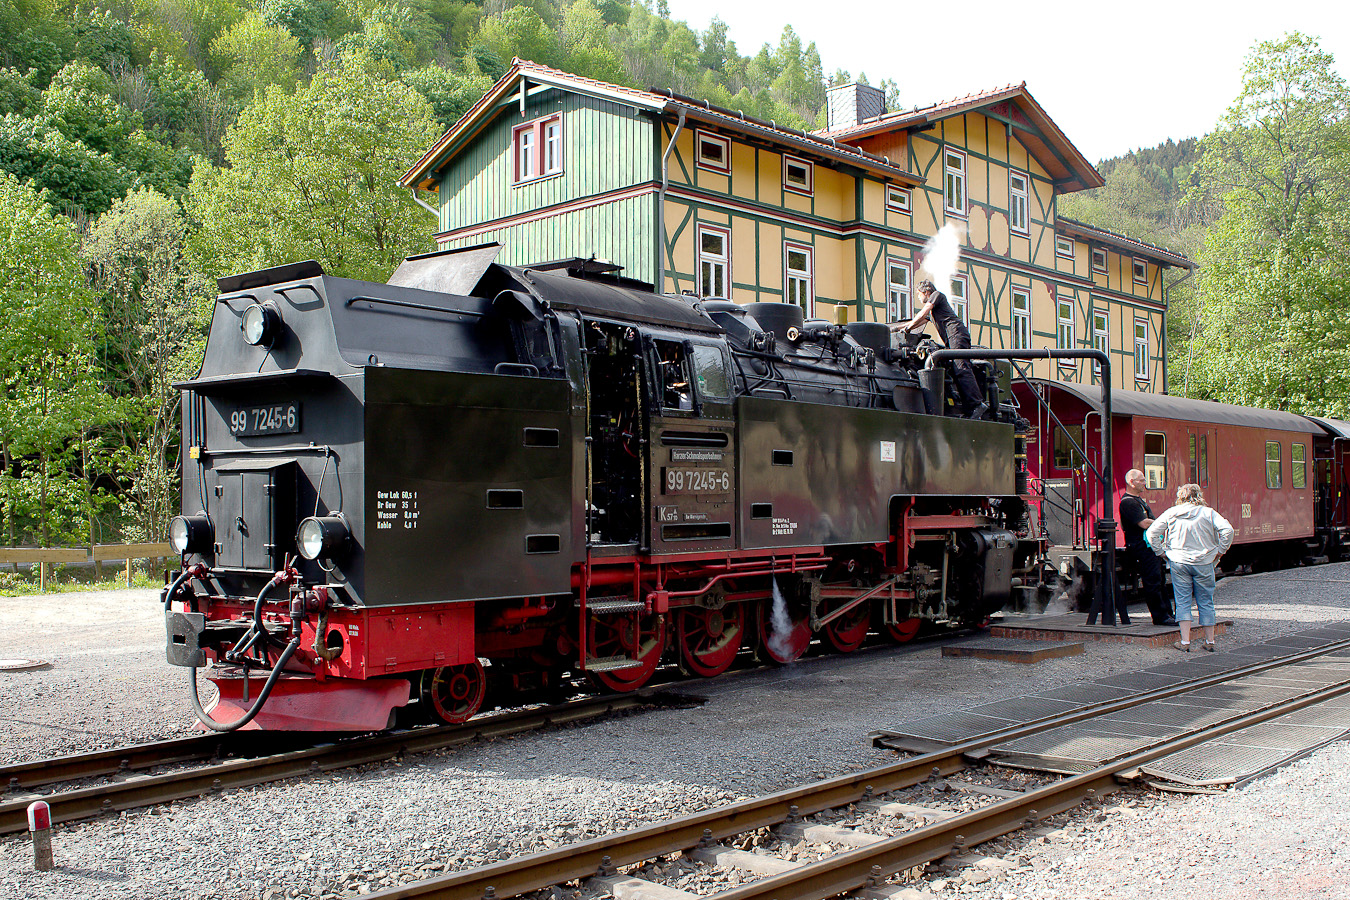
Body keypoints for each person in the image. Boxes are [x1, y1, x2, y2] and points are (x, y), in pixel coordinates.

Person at [1146, 483, 1234, 652]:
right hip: (1204, 562)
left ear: (1180, 496)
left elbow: (1152, 533)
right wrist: (1220, 551)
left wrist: (1161, 552)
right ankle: (1210, 641)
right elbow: (1228, 530)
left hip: (1179, 562)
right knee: (1206, 601)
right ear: (1198, 495)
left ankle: (1185, 642)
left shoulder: (1171, 512)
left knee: (1183, 601)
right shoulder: (1208, 513)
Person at [890, 279, 988, 419]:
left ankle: (977, 404)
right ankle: (967, 407)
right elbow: (916, 321)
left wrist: (907, 329)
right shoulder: (933, 309)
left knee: (961, 367)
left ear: (926, 292)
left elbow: (922, 314)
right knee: (955, 369)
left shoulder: (937, 295)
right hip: (952, 338)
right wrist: (894, 329)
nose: (918, 297)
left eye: (919, 294)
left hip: (957, 334)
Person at [1119, 468, 1177, 626]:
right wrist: (1162, 523)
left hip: (1149, 546)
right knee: (1152, 581)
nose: (1145, 483)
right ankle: (1160, 617)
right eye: (1141, 480)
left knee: (1159, 580)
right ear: (1132, 482)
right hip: (1140, 547)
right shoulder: (1128, 502)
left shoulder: (1139, 501)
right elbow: (1144, 523)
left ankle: (1168, 614)